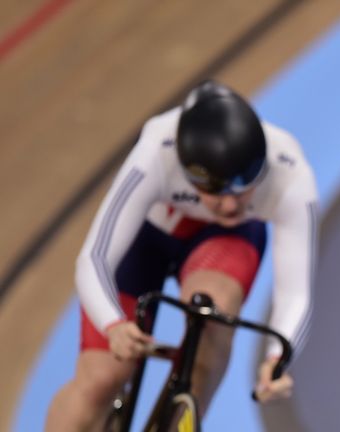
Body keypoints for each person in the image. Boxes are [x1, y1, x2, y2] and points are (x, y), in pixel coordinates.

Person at [45, 80, 318, 430]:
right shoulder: (156, 152)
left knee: (213, 316)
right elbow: (94, 258)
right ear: (187, 171)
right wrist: (112, 325)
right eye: (215, 191)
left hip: (224, 241)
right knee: (100, 380)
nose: (232, 203)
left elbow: (295, 293)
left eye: (244, 187)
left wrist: (277, 359)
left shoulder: (290, 173)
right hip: (147, 237)